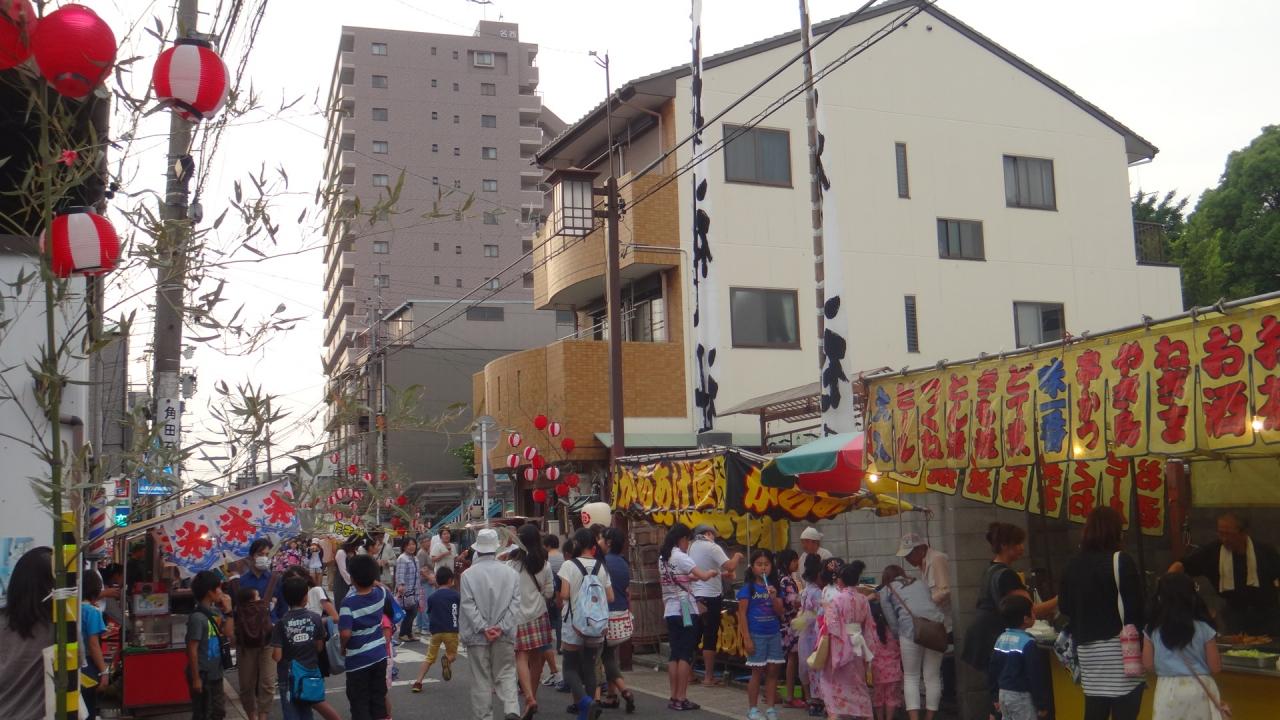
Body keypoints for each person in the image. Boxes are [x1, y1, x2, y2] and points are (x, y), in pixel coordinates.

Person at [1059, 506, 1146, 719]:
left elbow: (1064, 607)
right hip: (1122, 650)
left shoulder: (1072, 565)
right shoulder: (1120, 560)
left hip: (1088, 651)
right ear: (1114, 531)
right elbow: (1136, 607)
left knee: (1095, 709)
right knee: (1125, 711)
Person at [962, 522, 1058, 671]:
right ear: (1004, 545)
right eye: (1018, 543)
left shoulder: (991, 570)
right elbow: (1030, 611)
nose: (1022, 548)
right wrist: (1060, 599)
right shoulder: (1007, 575)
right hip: (992, 637)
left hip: (981, 637)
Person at [1168, 512, 1280, 636]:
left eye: (1229, 534)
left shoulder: (1265, 552)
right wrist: (1167, 584)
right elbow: (1182, 565)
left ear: (1244, 533)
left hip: (1267, 615)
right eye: (1221, 533)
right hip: (1234, 615)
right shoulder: (1213, 551)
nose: (1224, 539)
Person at [1143, 573, 1226, 720]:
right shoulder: (1204, 628)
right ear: (1192, 596)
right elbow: (1215, 667)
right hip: (1199, 689)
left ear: (1161, 598)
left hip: (1167, 689)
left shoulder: (1152, 630)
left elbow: (1148, 664)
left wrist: (1168, 667)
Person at [460, 528, 522, 720]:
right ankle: (511, 708)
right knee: (506, 672)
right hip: (504, 633)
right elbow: (515, 604)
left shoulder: (468, 575)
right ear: (496, 548)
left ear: (477, 549)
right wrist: (501, 626)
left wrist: (483, 627)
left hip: (477, 635)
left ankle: (484, 716)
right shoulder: (511, 573)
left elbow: (468, 605)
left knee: (481, 678)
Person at [657, 523, 718, 711]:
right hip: (684, 607)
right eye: (687, 541)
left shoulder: (663, 558)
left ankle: (674, 695)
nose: (688, 544)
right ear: (682, 539)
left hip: (670, 608)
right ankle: (682, 697)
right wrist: (712, 572)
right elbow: (703, 575)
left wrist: (692, 577)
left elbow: (677, 578)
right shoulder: (681, 557)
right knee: (685, 653)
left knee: (674, 653)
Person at [559, 528, 615, 720]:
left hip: (573, 623)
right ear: (593, 547)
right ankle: (588, 711)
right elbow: (610, 596)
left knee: (569, 668)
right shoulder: (601, 567)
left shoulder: (569, 565)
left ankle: (584, 702)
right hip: (596, 624)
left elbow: (564, 594)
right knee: (590, 667)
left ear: (576, 544)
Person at [881, 564, 947, 720]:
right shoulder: (919, 582)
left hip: (910, 630)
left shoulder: (887, 589)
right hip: (936, 628)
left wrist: (898, 637)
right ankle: (929, 717)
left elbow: (891, 620)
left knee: (911, 676)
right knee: (932, 676)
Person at [508, 524, 555, 718]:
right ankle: (533, 696)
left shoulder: (512, 565)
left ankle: (528, 698)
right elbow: (549, 593)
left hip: (518, 616)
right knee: (537, 659)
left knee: (521, 657)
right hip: (539, 615)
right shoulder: (545, 564)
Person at [688, 524, 744, 687]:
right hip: (711, 597)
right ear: (708, 533)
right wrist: (737, 556)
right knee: (710, 636)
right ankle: (708, 677)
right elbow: (730, 565)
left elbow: (705, 570)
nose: (715, 538)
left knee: (694, 635)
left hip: (693, 597)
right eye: (713, 534)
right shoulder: (712, 547)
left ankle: (689, 674)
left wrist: (723, 575)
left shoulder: (691, 547)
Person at [819, 562, 875, 720]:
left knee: (834, 684)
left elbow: (832, 626)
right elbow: (869, 626)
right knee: (859, 684)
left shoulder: (836, 600)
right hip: (858, 644)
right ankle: (865, 715)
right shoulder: (863, 599)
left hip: (841, 646)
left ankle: (836, 715)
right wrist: (869, 650)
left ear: (840, 580)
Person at [340, 553, 392, 720]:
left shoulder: (348, 603)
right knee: (378, 699)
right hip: (379, 656)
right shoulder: (381, 594)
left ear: (352, 578)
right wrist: (374, 580)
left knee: (359, 702)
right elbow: (383, 587)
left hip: (357, 660)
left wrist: (342, 647)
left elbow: (345, 633)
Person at [235, 538, 282, 720]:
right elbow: (234, 611)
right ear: (251, 556)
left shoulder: (275, 580)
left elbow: (282, 609)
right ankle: (251, 716)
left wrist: (277, 626)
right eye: (260, 554)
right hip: (246, 640)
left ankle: (262, 716)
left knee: (268, 682)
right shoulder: (240, 582)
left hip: (269, 638)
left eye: (266, 554)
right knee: (246, 684)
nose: (264, 558)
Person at [737, 550, 786, 720]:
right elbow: (742, 614)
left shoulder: (775, 587)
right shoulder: (748, 588)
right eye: (759, 564)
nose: (763, 568)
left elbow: (780, 612)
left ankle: (771, 708)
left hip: (774, 634)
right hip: (756, 634)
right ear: (752, 567)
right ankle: (753, 709)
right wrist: (747, 638)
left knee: (773, 672)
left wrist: (774, 598)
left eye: (767, 564)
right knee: (756, 673)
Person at [272, 576, 327, 720]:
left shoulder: (281, 624)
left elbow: (277, 656)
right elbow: (319, 647)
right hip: (309, 673)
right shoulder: (315, 618)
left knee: (291, 713)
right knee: (306, 712)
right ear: (305, 597)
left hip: (288, 676)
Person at [987, 595, 1050, 720]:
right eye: (1032, 612)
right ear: (1026, 619)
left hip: (1003, 694)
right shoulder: (1028, 643)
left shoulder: (1001, 639)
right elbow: (1035, 676)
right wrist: (1041, 705)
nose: (1034, 615)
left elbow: (993, 669)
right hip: (1021, 697)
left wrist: (995, 696)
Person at [599, 527, 636, 713]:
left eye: (601, 538)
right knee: (610, 654)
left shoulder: (602, 563)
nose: (599, 541)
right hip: (620, 615)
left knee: (605, 657)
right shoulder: (623, 562)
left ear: (609, 542)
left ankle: (624, 690)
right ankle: (611, 695)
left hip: (605, 614)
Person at [187, 570, 231, 720]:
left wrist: (229, 612)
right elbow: (192, 649)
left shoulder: (215, 612)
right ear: (209, 592)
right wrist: (196, 678)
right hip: (203, 674)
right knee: (203, 713)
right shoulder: (197, 618)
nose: (221, 592)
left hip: (216, 672)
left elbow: (228, 632)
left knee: (218, 711)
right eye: (218, 588)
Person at [412, 566, 461, 690]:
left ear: (437, 581)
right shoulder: (456, 595)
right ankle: (447, 659)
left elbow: (429, 613)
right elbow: (460, 613)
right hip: (451, 630)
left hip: (436, 631)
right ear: (450, 580)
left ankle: (418, 682)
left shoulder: (432, 597)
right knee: (452, 654)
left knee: (429, 657)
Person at [895, 533, 952, 635]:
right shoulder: (923, 564)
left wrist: (925, 601)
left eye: (909, 555)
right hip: (937, 623)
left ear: (921, 549)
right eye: (905, 556)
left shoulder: (937, 559)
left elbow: (946, 590)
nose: (906, 559)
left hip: (948, 623)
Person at [865, 581, 904, 720]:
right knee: (891, 698)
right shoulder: (895, 630)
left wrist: (870, 597)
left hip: (877, 672)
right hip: (894, 672)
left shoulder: (871, 629)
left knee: (878, 698)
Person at [794, 555, 824, 718]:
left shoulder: (805, 591)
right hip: (815, 633)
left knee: (805, 667)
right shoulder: (818, 593)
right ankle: (817, 700)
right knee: (816, 667)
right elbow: (820, 615)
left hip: (804, 633)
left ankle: (809, 699)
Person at [775, 549, 805, 710]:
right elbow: (794, 602)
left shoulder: (779, 577)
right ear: (788, 562)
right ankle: (790, 696)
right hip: (790, 624)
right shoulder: (786, 580)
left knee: (784, 660)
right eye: (794, 560)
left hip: (782, 623)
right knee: (792, 659)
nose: (797, 563)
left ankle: (777, 693)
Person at [81, 570, 109, 720]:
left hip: (69, 663)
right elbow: (93, 645)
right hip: (87, 665)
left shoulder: (69, 607)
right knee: (88, 709)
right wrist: (104, 672)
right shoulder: (92, 612)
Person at [541, 534, 565, 689]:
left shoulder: (547, 559)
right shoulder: (562, 557)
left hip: (551, 595)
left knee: (550, 625)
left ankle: (551, 645)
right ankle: (560, 646)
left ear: (548, 545)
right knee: (560, 621)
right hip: (562, 592)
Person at [394, 538, 422, 641]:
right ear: (404, 546)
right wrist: (400, 586)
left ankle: (409, 633)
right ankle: (403, 633)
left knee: (413, 612)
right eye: (409, 544)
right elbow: (400, 574)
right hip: (406, 591)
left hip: (415, 590)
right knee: (409, 612)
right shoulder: (402, 558)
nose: (412, 546)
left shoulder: (415, 558)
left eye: (413, 544)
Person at [333, 537, 358, 605]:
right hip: (341, 580)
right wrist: (352, 581)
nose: (356, 548)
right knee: (341, 600)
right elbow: (343, 570)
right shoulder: (341, 552)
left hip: (352, 580)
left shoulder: (355, 552)